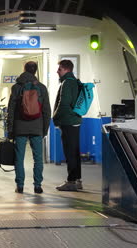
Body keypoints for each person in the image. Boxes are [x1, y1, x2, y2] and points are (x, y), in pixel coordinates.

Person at [6, 61, 51, 194]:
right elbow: (47, 111)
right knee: (38, 159)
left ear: (24, 70)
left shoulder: (16, 88)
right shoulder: (42, 88)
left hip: (20, 127)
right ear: (35, 71)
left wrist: (10, 129)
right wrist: (44, 129)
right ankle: (37, 185)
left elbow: (11, 110)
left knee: (19, 158)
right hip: (37, 127)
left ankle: (20, 186)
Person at [53, 60, 83, 191]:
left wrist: (55, 117)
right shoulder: (75, 81)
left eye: (59, 69)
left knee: (70, 152)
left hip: (67, 121)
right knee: (75, 151)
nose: (57, 71)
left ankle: (71, 182)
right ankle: (77, 180)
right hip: (75, 120)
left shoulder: (67, 82)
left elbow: (64, 103)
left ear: (66, 70)